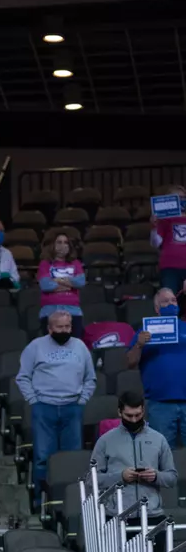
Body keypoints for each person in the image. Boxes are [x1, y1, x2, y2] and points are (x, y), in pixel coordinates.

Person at [16, 310, 97, 508]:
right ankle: (41, 502)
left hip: (72, 408)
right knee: (43, 457)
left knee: (72, 458)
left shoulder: (80, 347)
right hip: (44, 408)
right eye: (60, 327)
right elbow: (23, 377)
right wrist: (33, 400)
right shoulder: (35, 346)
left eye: (67, 326)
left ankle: (74, 504)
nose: (64, 330)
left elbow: (90, 378)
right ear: (50, 328)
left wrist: (82, 400)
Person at [91, 390, 176, 522]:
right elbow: (92, 480)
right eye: (129, 416)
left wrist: (156, 476)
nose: (134, 419)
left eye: (138, 415)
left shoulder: (159, 439)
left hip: (152, 514)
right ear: (119, 412)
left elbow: (172, 478)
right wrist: (120, 477)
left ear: (143, 411)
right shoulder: (105, 441)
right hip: (117, 516)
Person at [127, 287, 186, 448]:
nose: (171, 304)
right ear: (157, 308)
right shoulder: (145, 332)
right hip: (160, 404)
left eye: (173, 300)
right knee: (162, 453)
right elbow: (130, 362)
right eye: (165, 302)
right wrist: (139, 345)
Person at [37, 232, 86, 337]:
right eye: (59, 242)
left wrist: (57, 280)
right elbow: (46, 285)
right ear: (52, 245)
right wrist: (70, 285)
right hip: (50, 310)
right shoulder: (45, 264)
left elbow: (81, 282)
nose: (63, 245)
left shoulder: (75, 263)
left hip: (73, 310)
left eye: (65, 242)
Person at [150, 185, 186, 292]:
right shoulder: (164, 219)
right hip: (170, 267)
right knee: (169, 298)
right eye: (176, 198)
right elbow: (155, 243)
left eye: (183, 198)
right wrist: (154, 227)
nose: (180, 201)